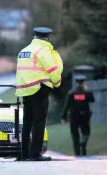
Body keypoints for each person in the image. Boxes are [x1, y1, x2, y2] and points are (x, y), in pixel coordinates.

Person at [15, 27, 63, 161]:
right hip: (39, 89)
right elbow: (53, 70)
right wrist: (58, 83)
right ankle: (35, 154)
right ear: (47, 38)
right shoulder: (43, 51)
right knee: (39, 121)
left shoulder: (23, 51)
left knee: (27, 122)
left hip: (25, 90)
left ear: (35, 36)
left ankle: (24, 154)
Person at [61, 74, 95, 156]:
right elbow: (92, 100)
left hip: (74, 116)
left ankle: (77, 153)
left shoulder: (71, 93)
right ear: (83, 82)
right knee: (86, 131)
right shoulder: (87, 92)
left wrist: (63, 117)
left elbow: (67, 105)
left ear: (76, 82)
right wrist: (87, 91)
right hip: (85, 115)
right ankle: (83, 143)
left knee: (75, 134)